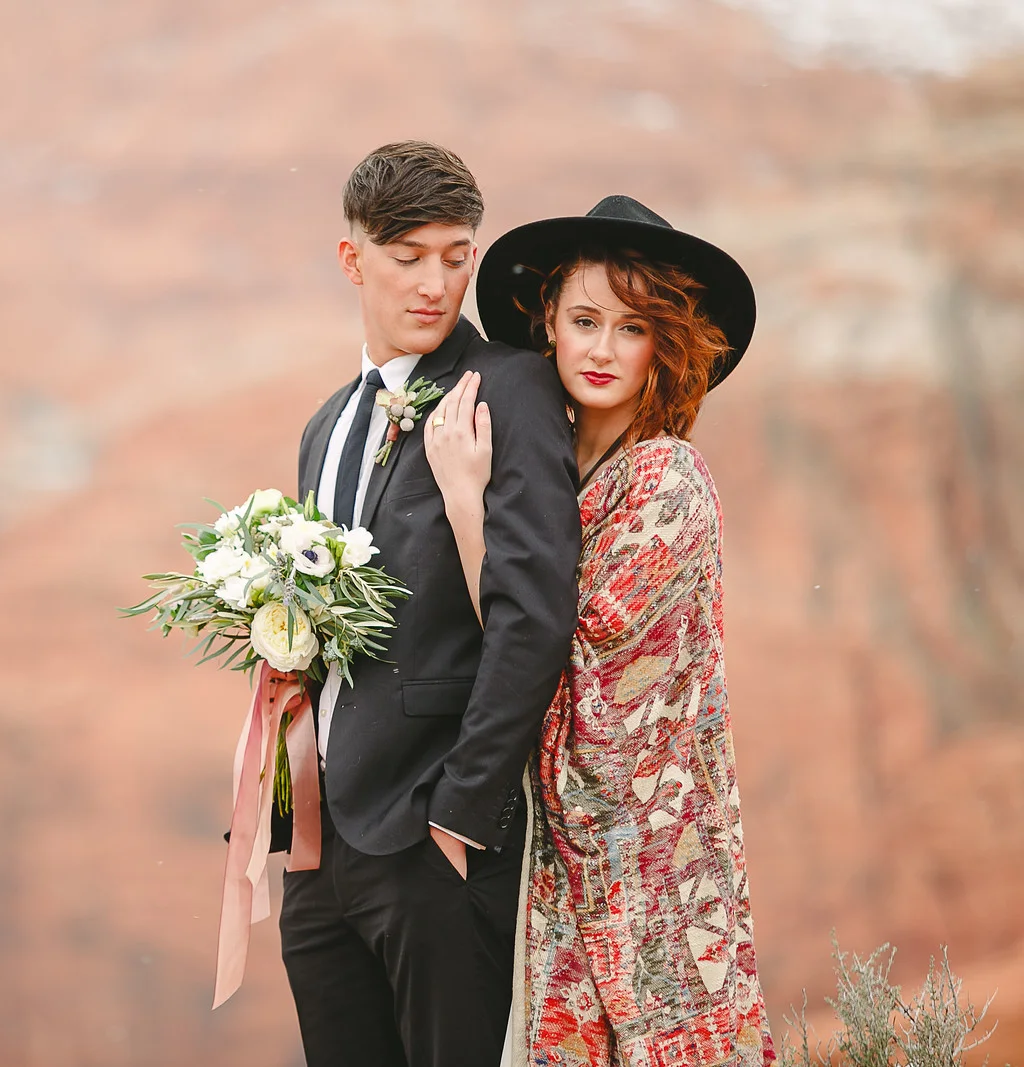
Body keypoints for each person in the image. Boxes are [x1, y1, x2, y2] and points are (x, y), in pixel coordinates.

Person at [424, 195, 774, 1065]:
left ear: (664, 344)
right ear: (549, 325)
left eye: (632, 327)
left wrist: (467, 505)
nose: (603, 349)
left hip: (659, 874)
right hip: (553, 866)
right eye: (585, 321)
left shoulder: (667, 481)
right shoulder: (545, 484)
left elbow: (553, 653)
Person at [277, 141, 580, 1067]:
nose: (435, 285)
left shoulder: (513, 388)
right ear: (353, 258)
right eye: (408, 257)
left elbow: (535, 614)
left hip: (434, 842)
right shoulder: (325, 425)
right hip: (320, 858)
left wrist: (461, 814)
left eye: (456, 258)